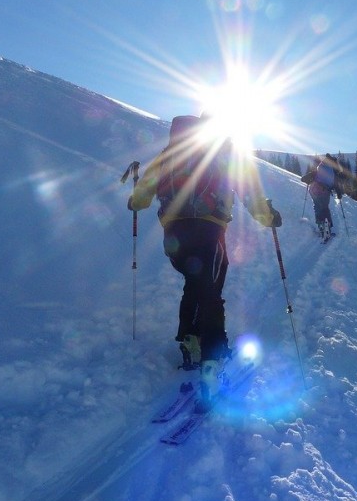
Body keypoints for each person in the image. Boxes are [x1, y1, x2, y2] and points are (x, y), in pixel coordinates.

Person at [127, 114, 282, 409]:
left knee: (195, 284)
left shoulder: (169, 155)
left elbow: (142, 196)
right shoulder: (224, 155)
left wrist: (134, 201)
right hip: (209, 232)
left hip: (174, 237)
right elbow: (249, 193)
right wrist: (269, 217)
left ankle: (190, 339)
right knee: (210, 292)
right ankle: (212, 359)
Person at [301, 153, 342, 240]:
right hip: (324, 191)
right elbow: (336, 184)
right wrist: (339, 194)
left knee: (317, 207)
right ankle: (327, 227)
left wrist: (308, 180)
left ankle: (321, 226)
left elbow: (305, 178)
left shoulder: (320, 167)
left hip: (313, 190)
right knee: (325, 208)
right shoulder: (333, 171)